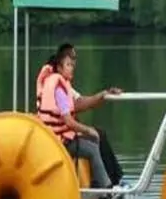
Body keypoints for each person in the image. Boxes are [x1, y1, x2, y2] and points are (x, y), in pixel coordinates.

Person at [35, 44, 125, 186]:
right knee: (97, 137)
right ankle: (109, 183)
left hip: (59, 135)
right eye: (70, 61)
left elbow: (79, 102)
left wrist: (104, 94)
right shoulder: (58, 87)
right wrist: (88, 130)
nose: (73, 65)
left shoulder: (56, 82)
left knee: (97, 137)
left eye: (74, 61)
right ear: (59, 66)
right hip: (59, 138)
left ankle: (105, 181)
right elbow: (76, 108)